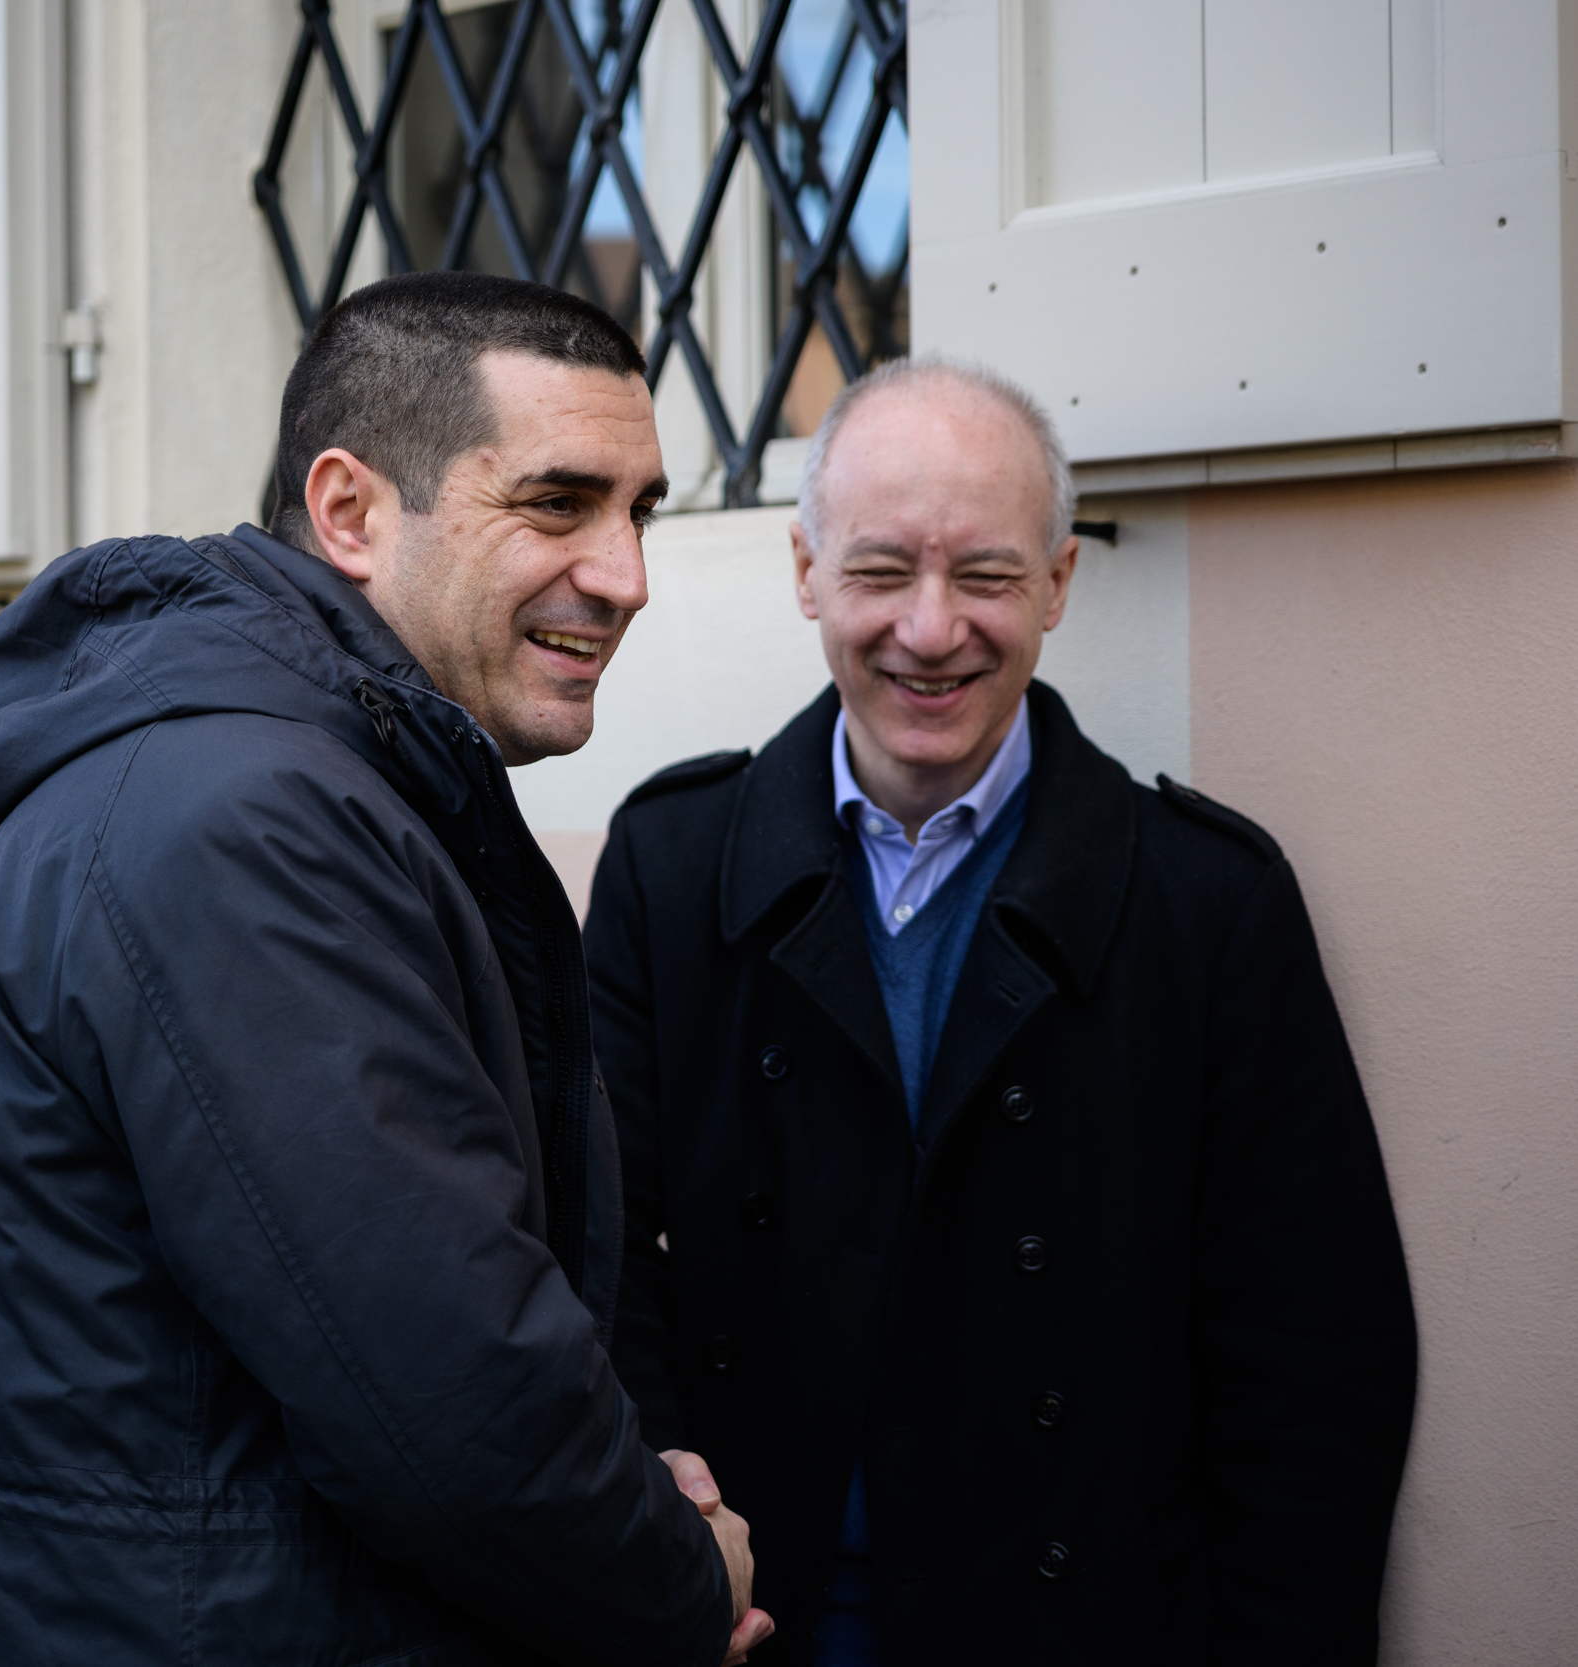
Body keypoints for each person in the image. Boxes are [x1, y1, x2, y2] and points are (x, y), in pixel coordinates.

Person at [0, 271, 774, 1666]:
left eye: (640, 509)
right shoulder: (245, 821)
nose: (625, 574)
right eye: (557, 503)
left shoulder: (290, 780)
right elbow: (446, 1395)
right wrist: (676, 1574)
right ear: (348, 510)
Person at [583, 358, 1418, 1665]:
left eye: (984, 574)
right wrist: (661, 1500)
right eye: (880, 571)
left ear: (1057, 583)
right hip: (750, 1621)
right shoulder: (671, 866)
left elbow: (1315, 1361)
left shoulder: (1207, 903)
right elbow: (594, 1250)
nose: (931, 630)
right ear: (805, 573)